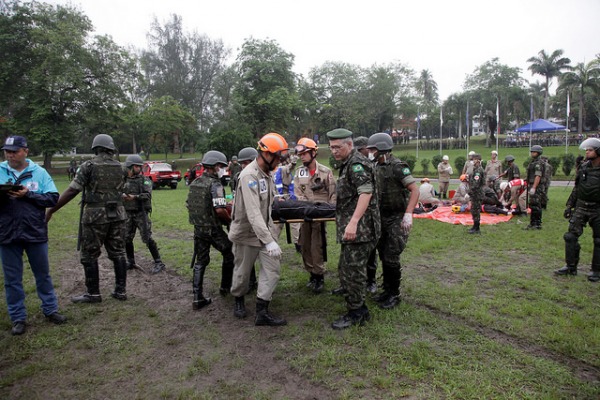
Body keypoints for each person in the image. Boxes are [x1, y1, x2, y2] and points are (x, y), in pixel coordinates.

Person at [46, 133, 128, 303]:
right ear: (111, 149)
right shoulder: (121, 167)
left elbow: (72, 190)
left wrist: (51, 210)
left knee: (89, 255)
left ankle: (93, 293)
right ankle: (120, 291)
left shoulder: (88, 166)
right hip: (118, 215)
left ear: (96, 148)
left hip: (95, 217)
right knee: (118, 252)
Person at [0, 135, 66, 335]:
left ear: (25, 151)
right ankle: (18, 317)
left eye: (14, 151)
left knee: (43, 274)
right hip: (7, 232)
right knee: (12, 279)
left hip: (34, 231)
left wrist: (28, 194)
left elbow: (52, 198)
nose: (10, 155)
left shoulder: (39, 172)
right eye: (7, 151)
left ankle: (50, 309)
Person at [228, 132, 289, 326]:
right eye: (278, 156)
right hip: (247, 234)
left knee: (273, 269)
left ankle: (262, 311)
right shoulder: (249, 176)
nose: (279, 161)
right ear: (267, 154)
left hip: (265, 231)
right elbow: (253, 213)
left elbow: (266, 205)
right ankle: (238, 299)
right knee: (242, 273)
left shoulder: (267, 174)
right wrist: (270, 241)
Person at [327, 128, 380, 330]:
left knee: (354, 270)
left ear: (350, 145)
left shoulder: (357, 164)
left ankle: (357, 312)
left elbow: (365, 193)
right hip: (356, 229)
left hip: (361, 230)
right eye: (331, 147)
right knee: (346, 267)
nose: (334, 151)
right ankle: (353, 299)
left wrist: (353, 222)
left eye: (337, 147)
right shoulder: (349, 163)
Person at [366, 133, 418, 310]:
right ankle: (386, 291)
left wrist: (408, 213)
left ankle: (394, 294)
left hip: (397, 217)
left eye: (372, 149)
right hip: (381, 217)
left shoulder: (397, 166)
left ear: (381, 149)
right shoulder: (375, 166)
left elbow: (414, 190)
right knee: (382, 254)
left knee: (391, 256)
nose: (370, 152)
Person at [186, 150, 234, 310]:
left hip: (199, 228)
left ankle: (197, 297)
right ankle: (225, 287)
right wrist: (230, 220)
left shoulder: (195, 183)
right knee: (230, 252)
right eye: (222, 167)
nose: (224, 170)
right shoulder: (215, 185)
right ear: (215, 166)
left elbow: (189, 204)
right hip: (212, 228)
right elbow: (220, 209)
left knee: (201, 260)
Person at [293, 137, 336, 294]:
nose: (302, 157)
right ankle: (311, 273)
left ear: (313, 153)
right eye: (300, 154)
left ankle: (319, 276)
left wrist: (329, 211)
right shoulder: (299, 172)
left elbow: (332, 195)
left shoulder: (325, 172)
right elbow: (297, 193)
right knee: (304, 245)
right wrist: (305, 207)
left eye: (304, 153)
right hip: (304, 216)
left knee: (316, 246)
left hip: (319, 217)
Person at [556, 138, 600, 282]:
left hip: (597, 208)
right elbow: (577, 188)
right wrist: (570, 205)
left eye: (590, 150)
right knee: (570, 236)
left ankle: (596, 270)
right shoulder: (584, 167)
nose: (587, 152)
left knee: (598, 240)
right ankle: (571, 266)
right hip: (581, 206)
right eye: (586, 149)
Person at [122, 154, 165, 274]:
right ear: (130, 167)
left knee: (147, 238)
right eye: (137, 166)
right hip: (127, 214)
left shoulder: (144, 180)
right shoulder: (123, 180)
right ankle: (130, 261)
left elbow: (147, 195)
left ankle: (158, 262)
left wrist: (134, 197)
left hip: (141, 213)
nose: (139, 168)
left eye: (140, 166)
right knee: (126, 238)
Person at [349, 136, 378, 294]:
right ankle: (352, 281)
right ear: (362, 149)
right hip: (356, 212)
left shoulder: (370, 164)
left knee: (370, 250)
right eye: (369, 148)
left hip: (369, 215)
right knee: (352, 251)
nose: (371, 150)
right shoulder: (355, 163)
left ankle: (371, 281)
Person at [525, 145, 547, 230]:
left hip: (537, 187)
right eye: (532, 152)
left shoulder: (538, 163)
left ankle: (537, 224)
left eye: (533, 152)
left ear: (538, 153)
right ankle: (532, 223)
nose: (532, 153)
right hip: (532, 185)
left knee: (536, 205)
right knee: (532, 205)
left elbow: (538, 176)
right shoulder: (533, 162)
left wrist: (534, 187)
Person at [467, 154, 485, 234]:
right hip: (475, 193)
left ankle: (477, 228)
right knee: (474, 210)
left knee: (476, 210)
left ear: (478, 160)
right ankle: (474, 226)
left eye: (474, 159)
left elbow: (476, 183)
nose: (472, 161)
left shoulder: (478, 170)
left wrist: (470, 192)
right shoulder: (476, 169)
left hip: (477, 193)